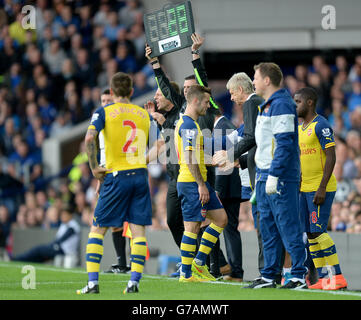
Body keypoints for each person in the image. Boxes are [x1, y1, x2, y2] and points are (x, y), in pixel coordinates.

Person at [145, 33, 229, 277]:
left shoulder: (205, 108)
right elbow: (165, 88)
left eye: (188, 88)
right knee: (187, 223)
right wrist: (155, 64)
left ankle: (203, 265)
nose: (183, 91)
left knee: (210, 221)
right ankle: (192, 268)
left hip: (200, 173)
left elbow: (201, 82)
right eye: (183, 88)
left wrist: (194, 54)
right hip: (187, 176)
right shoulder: (185, 116)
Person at [76, 72, 161, 295]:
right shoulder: (143, 114)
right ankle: (134, 283)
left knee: (97, 228)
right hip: (141, 176)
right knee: (138, 231)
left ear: (111, 93)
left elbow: (88, 138)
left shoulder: (104, 111)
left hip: (116, 176)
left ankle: (93, 283)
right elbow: (160, 144)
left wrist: (94, 167)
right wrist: (143, 160)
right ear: (132, 92)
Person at [244, 62, 307, 289]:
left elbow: (285, 143)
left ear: (267, 80)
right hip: (263, 175)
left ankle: (299, 275)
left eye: (256, 77)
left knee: (288, 224)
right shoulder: (267, 105)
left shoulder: (281, 104)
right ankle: (270, 275)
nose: (253, 81)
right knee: (267, 227)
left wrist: (274, 174)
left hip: (279, 176)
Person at [294, 87, 348, 290]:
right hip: (304, 188)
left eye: (298, 101)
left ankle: (338, 276)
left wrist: (322, 187)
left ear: (309, 103)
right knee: (309, 233)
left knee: (318, 230)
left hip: (320, 187)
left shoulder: (321, 124)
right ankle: (324, 279)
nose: (294, 105)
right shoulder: (300, 127)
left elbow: (331, 156)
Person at [174, 85, 228, 282]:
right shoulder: (188, 125)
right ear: (195, 101)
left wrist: (211, 160)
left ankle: (197, 264)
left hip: (197, 180)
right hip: (191, 183)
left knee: (221, 219)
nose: (208, 106)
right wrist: (201, 185)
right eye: (206, 102)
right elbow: (188, 156)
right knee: (192, 227)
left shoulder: (192, 124)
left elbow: (192, 154)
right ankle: (186, 275)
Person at [97, 88, 130, 274]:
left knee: (130, 220)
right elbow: (102, 153)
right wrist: (99, 180)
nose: (106, 104)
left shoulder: (122, 122)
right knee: (116, 222)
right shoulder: (101, 123)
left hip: (123, 175)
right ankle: (122, 263)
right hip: (108, 176)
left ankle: (132, 263)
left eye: (109, 100)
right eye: (103, 101)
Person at [212, 108, 244, 282]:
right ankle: (231, 269)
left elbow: (226, 162)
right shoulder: (226, 125)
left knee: (227, 227)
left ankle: (229, 268)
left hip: (228, 187)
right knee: (229, 227)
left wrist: (218, 189)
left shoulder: (223, 127)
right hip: (231, 187)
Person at [12, 206, 80, 265]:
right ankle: (20, 261)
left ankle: (16, 259)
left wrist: (52, 244)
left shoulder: (73, 226)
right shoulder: (64, 224)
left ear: (70, 215)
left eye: (65, 214)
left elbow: (62, 239)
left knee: (38, 250)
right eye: (62, 214)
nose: (62, 216)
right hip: (59, 249)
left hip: (64, 250)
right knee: (40, 256)